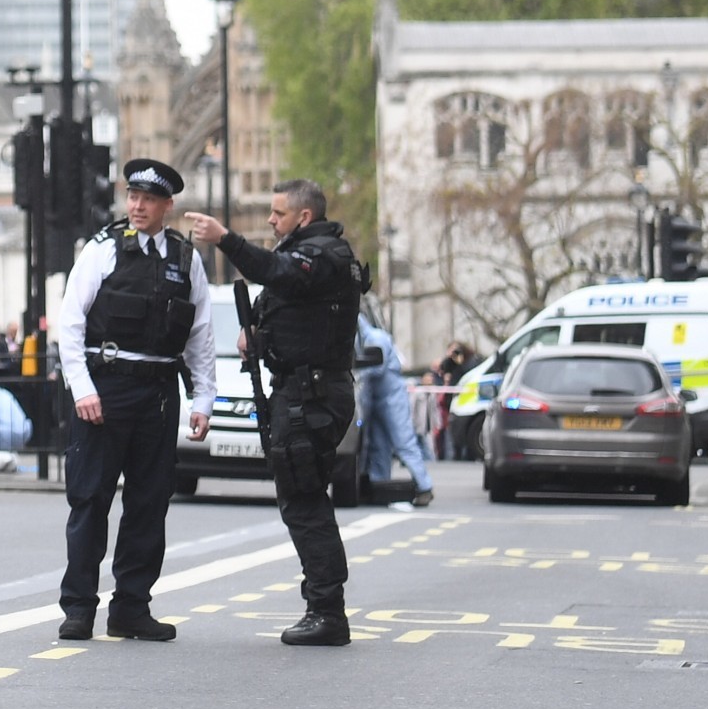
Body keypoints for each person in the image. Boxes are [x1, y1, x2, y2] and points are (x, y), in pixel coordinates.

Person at [186, 178, 368, 648]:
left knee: (305, 500)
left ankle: (327, 611)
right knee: (301, 498)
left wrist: (226, 239)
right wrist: (257, 337)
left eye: (277, 213)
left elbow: (280, 273)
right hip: (301, 392)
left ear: (303, 217)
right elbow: (289, 308)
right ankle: (323, 604)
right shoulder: (311, 256)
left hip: (312, 397)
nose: (270, 220)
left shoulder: (322, 255)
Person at [55, 159, 216, 643]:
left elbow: (200, 335)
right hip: (106, 387)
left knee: (149, 503)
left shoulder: (186, 260)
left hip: (158, 392)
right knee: (90, 500)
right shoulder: (102, 250)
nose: (138, 206)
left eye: (148, 200)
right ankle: (79, 606)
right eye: (133, 197)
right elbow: (70, 323)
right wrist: (82, 387)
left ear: (168, 206)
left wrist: (203, 397)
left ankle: (131, 607)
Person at [357, 315, 434, 505]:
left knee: (403, 441)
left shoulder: (376, 339)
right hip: (375, 398)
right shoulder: (365, 340)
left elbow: (376, 367)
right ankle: (378, 486)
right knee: (378, 445)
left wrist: (355, 370)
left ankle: (424, 486)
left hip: (391, 398)